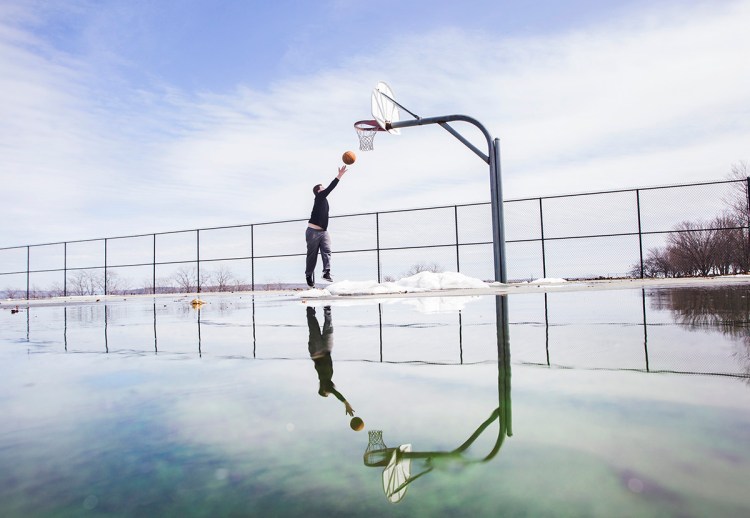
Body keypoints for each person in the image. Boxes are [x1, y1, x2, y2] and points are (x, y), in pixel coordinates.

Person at [306, 306, 356, 418]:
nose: (330, 392)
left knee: (313, 325)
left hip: (316, 350)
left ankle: (310, 306)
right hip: (327, 350)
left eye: (327, 392)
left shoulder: (324, 380)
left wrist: (346, 403)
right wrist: (345, 403)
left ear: (323, 388)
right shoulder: (328, 378)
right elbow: (335, 393)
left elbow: (336, 393)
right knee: (329, 325)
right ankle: (327, 306)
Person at [305, 165, 348, 288]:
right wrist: (339, 176)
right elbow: (330, 188)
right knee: (312, 256)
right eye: (322, 188)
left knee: (327, 250)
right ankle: (308, 275)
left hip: (323, 232)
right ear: (319, 191)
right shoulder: (319, 197)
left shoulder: (323, 199)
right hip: (312, 231)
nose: (324, 189)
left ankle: (326, 272)